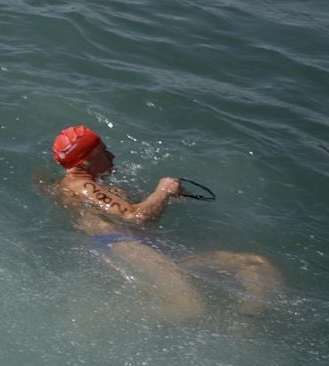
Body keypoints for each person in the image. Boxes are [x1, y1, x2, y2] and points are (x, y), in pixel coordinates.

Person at [47, 126, 281, 319]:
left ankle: (244, 327)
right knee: (189, 307)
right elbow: (137, 218)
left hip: (144, 244)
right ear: (86, 161)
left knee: (255, 265)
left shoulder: (91, 186)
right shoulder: (81, 186)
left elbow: (136, 212)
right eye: (104, 152)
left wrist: (165, 199)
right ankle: (102, 317)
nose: (112, 156)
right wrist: (163, 191)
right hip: (122, 245)